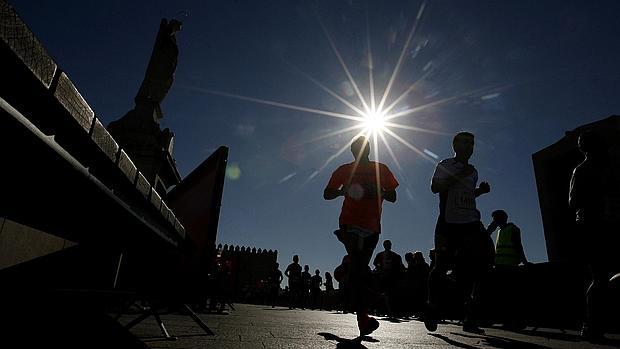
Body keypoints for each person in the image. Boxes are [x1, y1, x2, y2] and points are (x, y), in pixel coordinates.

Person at [324, 135, 399, 336]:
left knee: (361, 269)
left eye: (363, 147)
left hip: (372, 227)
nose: (360, 150)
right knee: (359, 267)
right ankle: (363, 318)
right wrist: (343, 191)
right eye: (356, 148)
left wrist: (378, 191)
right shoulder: (344, 170)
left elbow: (393, 197)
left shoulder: (381, 169)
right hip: (350, 224)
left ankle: (352, 294)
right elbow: (327, 193)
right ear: (352, 151)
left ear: (368, 149)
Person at [426, 131, 491, 334]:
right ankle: (432, 306)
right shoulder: (446, 165)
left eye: (471, 143)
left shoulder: (473, 171)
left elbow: (465, 194)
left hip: (471, 223)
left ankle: (469, 316)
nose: (469, 146)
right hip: (448, 223)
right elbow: (435, 188)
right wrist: (458, 176)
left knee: (475, 268)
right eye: (464, 143)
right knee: (441, 266)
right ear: (455, 145)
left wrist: (480, 191)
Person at [569, 131, 620, 341]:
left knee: (603, 277)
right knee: (599, 277)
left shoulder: (609, 168)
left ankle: (596, 323)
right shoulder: (581, 170)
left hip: (610, 225)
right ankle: (591, 325)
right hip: (593, 227)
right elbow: (573, 202)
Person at [373, 240, 404, 318]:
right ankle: (383, 310)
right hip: (383, 275)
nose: (388, 246)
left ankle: (390, 310)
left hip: (391, 276)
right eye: (386, 244)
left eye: (389, 244)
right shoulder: (380, 255)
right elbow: (375, 263)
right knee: (382, 293)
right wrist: (379, 268)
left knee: (390, 294)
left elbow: (399, 265)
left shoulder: (395, 255)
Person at [405, 251, 430, 317]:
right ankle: (422, 313)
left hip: (419, 285)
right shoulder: (425, 265)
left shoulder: (417, 266)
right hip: (423, 285)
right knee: (422, 299)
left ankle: (421, 313)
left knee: (420, 299)